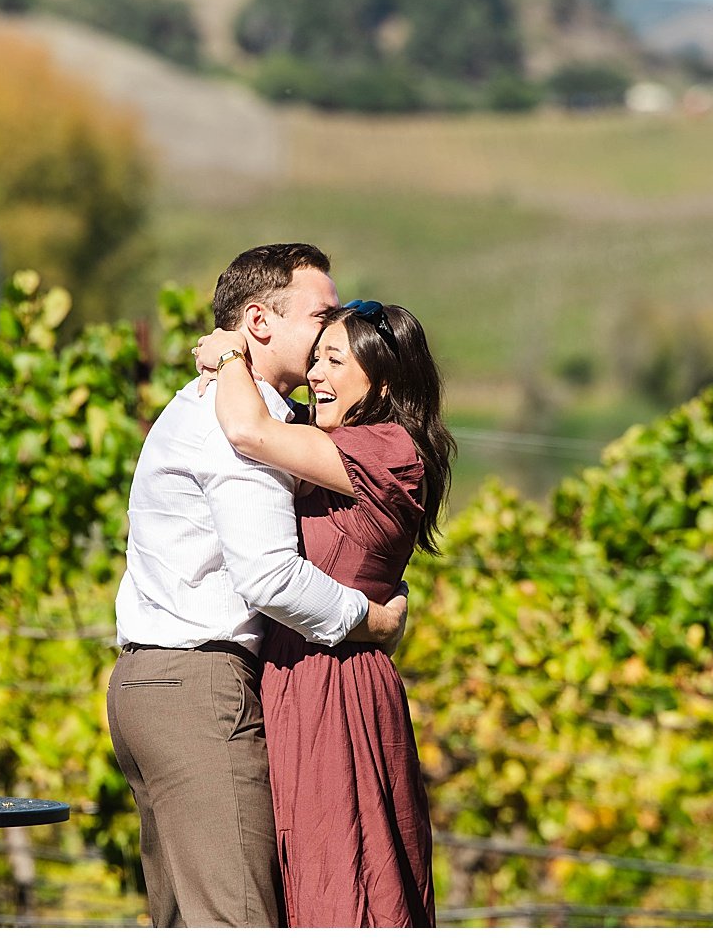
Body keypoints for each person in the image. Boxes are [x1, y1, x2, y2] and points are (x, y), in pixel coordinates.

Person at [107, 243, 410, 928]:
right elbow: (270, 575)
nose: (333, 335)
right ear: (259, 320)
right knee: (237, 918)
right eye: (321, 315)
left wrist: (226, 354)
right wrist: (368, 618)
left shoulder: (248, 409)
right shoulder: (236, 425)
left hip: (153, 680)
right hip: (198, 688)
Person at [193, 295, 454, 927]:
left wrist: (230, 352)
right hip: (291, 674)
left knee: (343, 870)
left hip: (335, 684)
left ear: (382, 381)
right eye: (315, 358)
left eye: (335, 360)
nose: (316, 374)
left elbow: (250, 431)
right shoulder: (335, 446)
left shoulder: (391, 447)